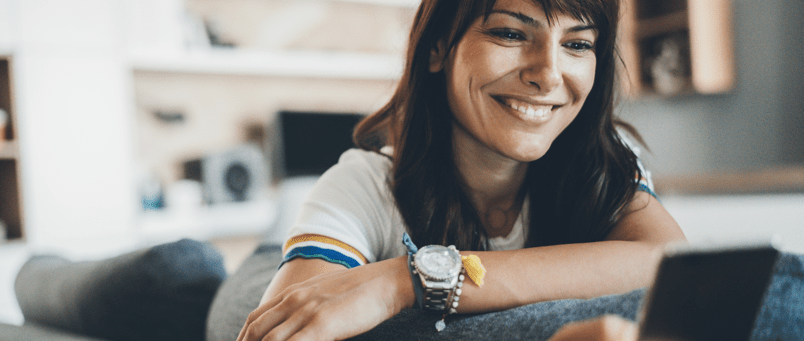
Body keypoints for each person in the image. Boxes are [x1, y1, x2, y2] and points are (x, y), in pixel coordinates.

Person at [236, 0, 687, 340]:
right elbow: (287, 327)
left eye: (577, 44)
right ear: (438, 49)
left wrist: (409, 280)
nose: (549, 75)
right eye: (511, 34)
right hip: (260, 275)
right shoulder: (364, 182)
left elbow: (668, 262)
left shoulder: (604, 161)